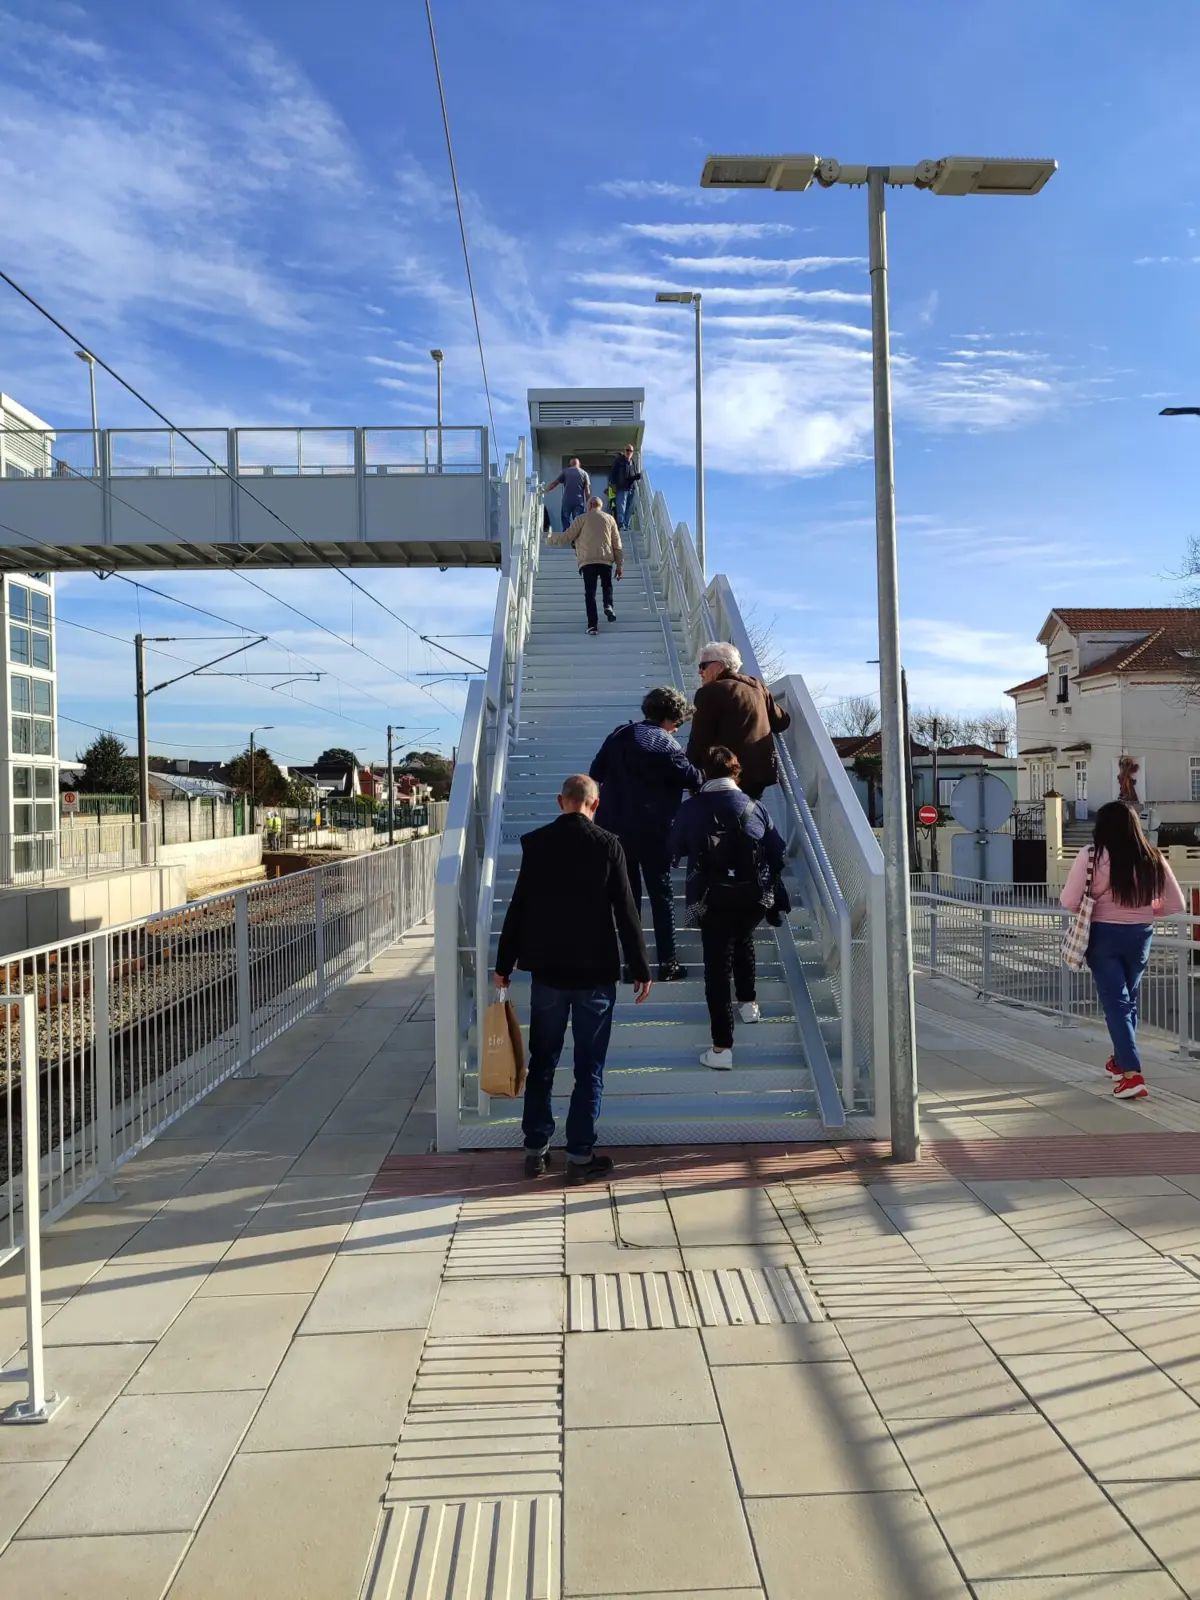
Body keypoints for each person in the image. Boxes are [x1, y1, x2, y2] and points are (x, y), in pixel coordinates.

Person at [494, 774, 652, 1182]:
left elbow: (519, 907)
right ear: (595, 805)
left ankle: (536, 1151)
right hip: (595, 974)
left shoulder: (536, 843)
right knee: (589, 1067)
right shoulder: (608, 845)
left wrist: (503, 963)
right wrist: (639, 966)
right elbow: (626, 911)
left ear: (560, 800)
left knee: (542, 1061)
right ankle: (580, 1156)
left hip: (548, 972)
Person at [668, 746, 786, 1070]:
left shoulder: (691, 808)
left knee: (717, 968)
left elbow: (673, 849)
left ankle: (722, 1048)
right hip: (753, 898)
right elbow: (777, 849)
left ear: (704, 772)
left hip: (711, 897)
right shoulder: (755, 806)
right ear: (737, 772)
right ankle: (748, 1003)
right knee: (743, 935)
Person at [1060, 800, 1185, 1101]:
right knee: (1127, 1000)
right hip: (1140, 935)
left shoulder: (1091, 856)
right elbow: (1176, 904)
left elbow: (1069, 900)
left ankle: (1132, 1075)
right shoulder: (1152, 857)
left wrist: (1099, 907)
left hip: (1103, 934)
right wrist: (1144, 910)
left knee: (1116, 1002)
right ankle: (1119, 1061)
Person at [590, 686, 702, 982]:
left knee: (627, 900)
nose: (678, 728)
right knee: (661, 895)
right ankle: (668, 963)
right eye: (678, 722)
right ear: (671, 717)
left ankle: (632, 967)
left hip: (613, 830)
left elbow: (595, 772)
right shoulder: (666, 744)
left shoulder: (618, 734)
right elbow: (694, 778)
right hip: (654, 831)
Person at [686, 641, 791, 800]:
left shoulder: (708, 692)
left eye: (703, 665)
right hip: (758, 773)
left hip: (725, 774)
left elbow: (699, 738)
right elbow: (781, 722)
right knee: (748, 817)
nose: (700, 671)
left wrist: (690, 772)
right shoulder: (758, 687)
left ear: (720, 666)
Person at [547, 495, 623, 635]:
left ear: (589, 506)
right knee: (607, 586)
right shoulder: (610, 519)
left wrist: (550, 540)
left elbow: (567, 537)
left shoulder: (581, 519)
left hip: (587, 561)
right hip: (606, 559)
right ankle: (608, 605)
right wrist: (619, 565)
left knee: (590, 594)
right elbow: (617, 543)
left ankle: (593, 626)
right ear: (601, 506)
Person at [546, 457, 591, 531]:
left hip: (567, 500)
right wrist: (589, 503)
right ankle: (577, 538)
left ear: (570, 464)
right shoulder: (584, 473)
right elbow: (587, 490)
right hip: (579, 501)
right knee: (578, 521)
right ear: (579, 464)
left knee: (565, 519)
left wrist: (546, 490)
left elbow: (555, 483)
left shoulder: (565, 472)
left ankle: (567, 535)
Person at [609, 444, 642, 532]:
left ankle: (626, 525)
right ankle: (621, 525)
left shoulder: (633, 462)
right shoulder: (618, 461)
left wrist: (636, 477)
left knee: (630, 508)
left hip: (631, 488)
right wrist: (613, 488)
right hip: (621, 488)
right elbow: (613, 475)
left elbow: (632, 475)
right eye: (627, 450)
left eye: (630, 451)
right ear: (624, 451)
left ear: (632, 452)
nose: (628, 452)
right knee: (621, 507)